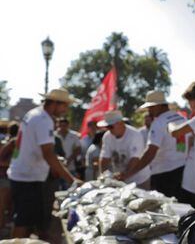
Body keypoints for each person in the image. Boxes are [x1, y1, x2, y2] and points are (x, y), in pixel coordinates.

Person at [7, 88, 80, 239]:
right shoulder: (43, 119)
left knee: (27, 221)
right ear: (54, 103)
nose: (66, 110)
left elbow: (42, 151)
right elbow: (48, 154)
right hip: (27, 177)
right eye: (65, 105)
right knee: (23, 221)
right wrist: (71, 180)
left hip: (23, 174)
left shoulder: (34, 114)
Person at [130, 90, 187, 198]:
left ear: (160, 106)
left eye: (151, 107)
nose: (149, 110)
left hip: (164, 175)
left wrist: (132, 172)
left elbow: (151, 152)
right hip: (183, 171)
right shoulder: (182, 118)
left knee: (166, 211)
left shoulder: (159, 122)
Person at [98, 110, 151, 189]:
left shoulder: (135, 135)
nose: (109, 129)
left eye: (110, 127)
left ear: (120, 123)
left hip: (139, 180)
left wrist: (124, 175)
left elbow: (135, 159)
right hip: (121, 180)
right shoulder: (107, 136)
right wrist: (103, 175)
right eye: (107, 127)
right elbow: (104, 158)